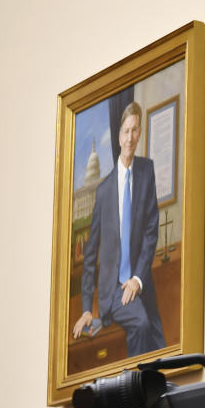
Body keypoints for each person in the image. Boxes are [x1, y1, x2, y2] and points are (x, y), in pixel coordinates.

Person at [73, 101, 165, 357]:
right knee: (142, 324)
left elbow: (151, 231)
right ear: (119, 135)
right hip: (113, 289)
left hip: (138, 281)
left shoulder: (147, 171)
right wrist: (86, 310)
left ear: (140, 132)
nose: (130, 137)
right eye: (126, 131)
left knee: (161, 341)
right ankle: (135, 382)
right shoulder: (103, 192)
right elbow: (90, 255)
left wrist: (137, 278)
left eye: (135, 130)